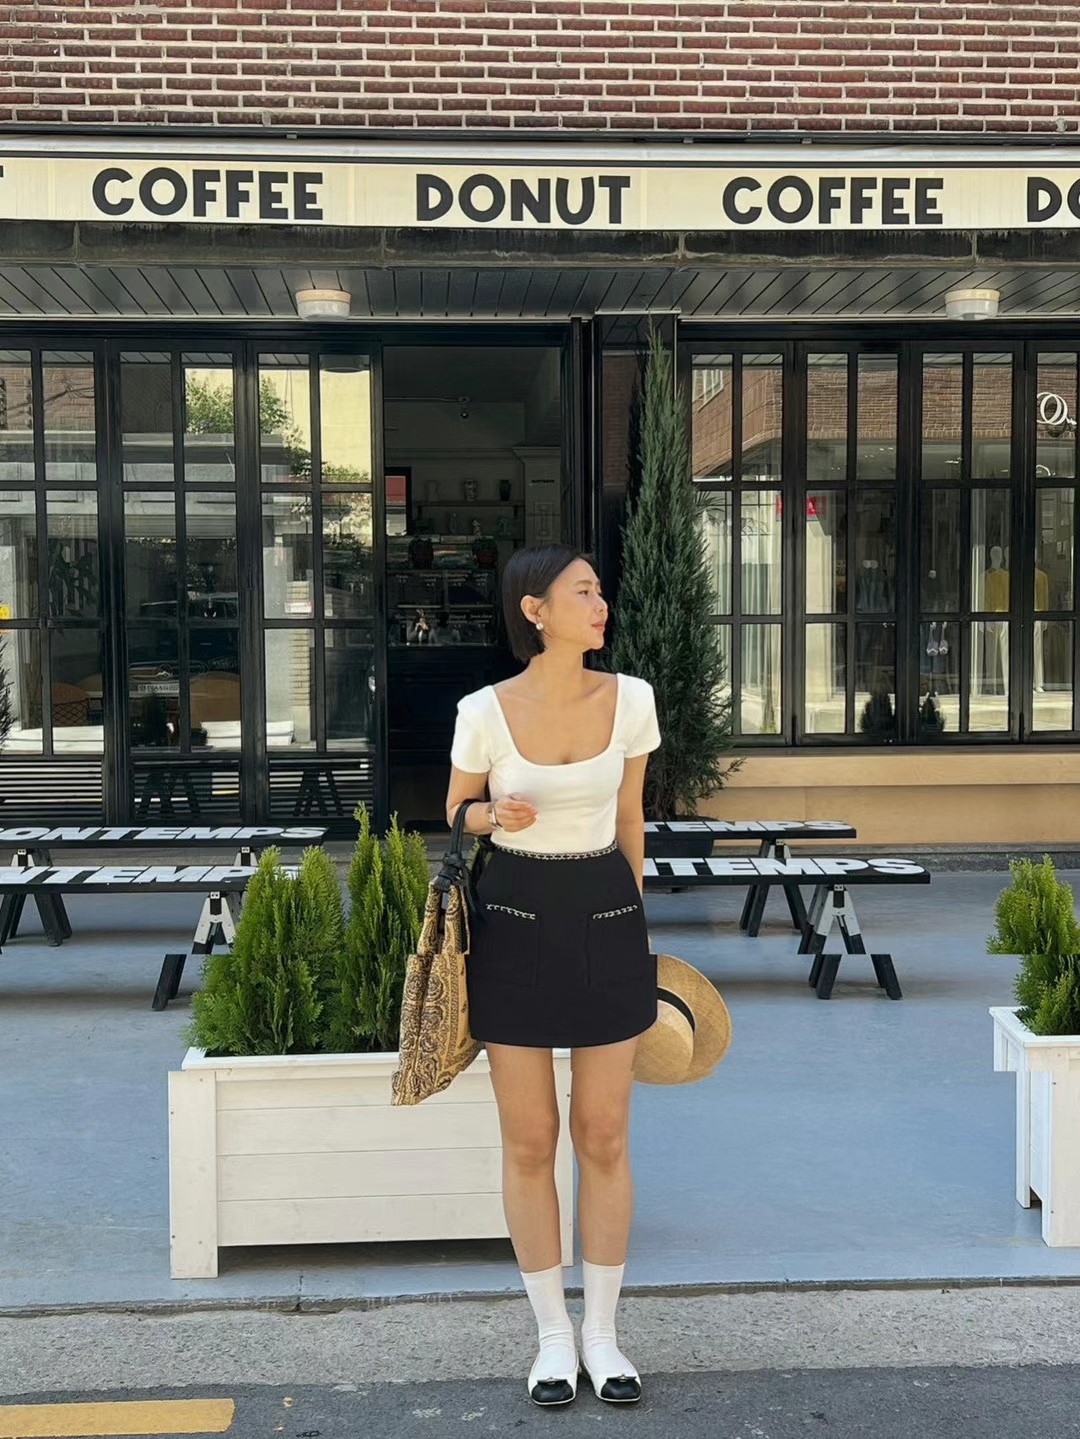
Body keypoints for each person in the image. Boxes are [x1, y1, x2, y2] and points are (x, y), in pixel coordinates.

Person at [445, 543, 661, 1408]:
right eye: (583, 591)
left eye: (600, 590)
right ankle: (551, 1338)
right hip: (513, 920)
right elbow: (455, 811)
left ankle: (603, 1335)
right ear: (535, 610)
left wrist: (639, 925)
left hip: (607, 916)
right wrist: (491, 813)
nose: (600, 603)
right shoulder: (483, 710)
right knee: (531, 1139)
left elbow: (631, 817)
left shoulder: (632, 699)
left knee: (604, 1135)